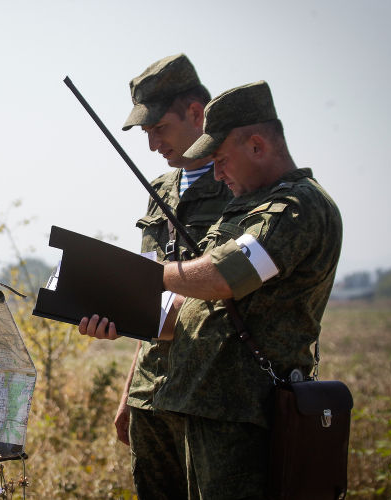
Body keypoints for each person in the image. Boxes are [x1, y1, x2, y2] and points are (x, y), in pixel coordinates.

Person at [82, 81, 342, 498]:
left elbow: (224, 276)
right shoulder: (245, 209)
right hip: (198, 405)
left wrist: (138, 274)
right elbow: (189, 310)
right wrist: (115, 312)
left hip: (244, 412)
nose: (217, 173)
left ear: (257, 145)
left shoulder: (298, 208)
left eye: (221, 159)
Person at [116, 53, 232, 500]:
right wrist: (128, 394)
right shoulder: (160, 192)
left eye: (158, 129)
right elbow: (152, 298)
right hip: (153, 395)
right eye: (145, 133)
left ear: (196, 113)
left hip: (211, 397)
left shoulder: (237, 185)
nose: (152, 146)